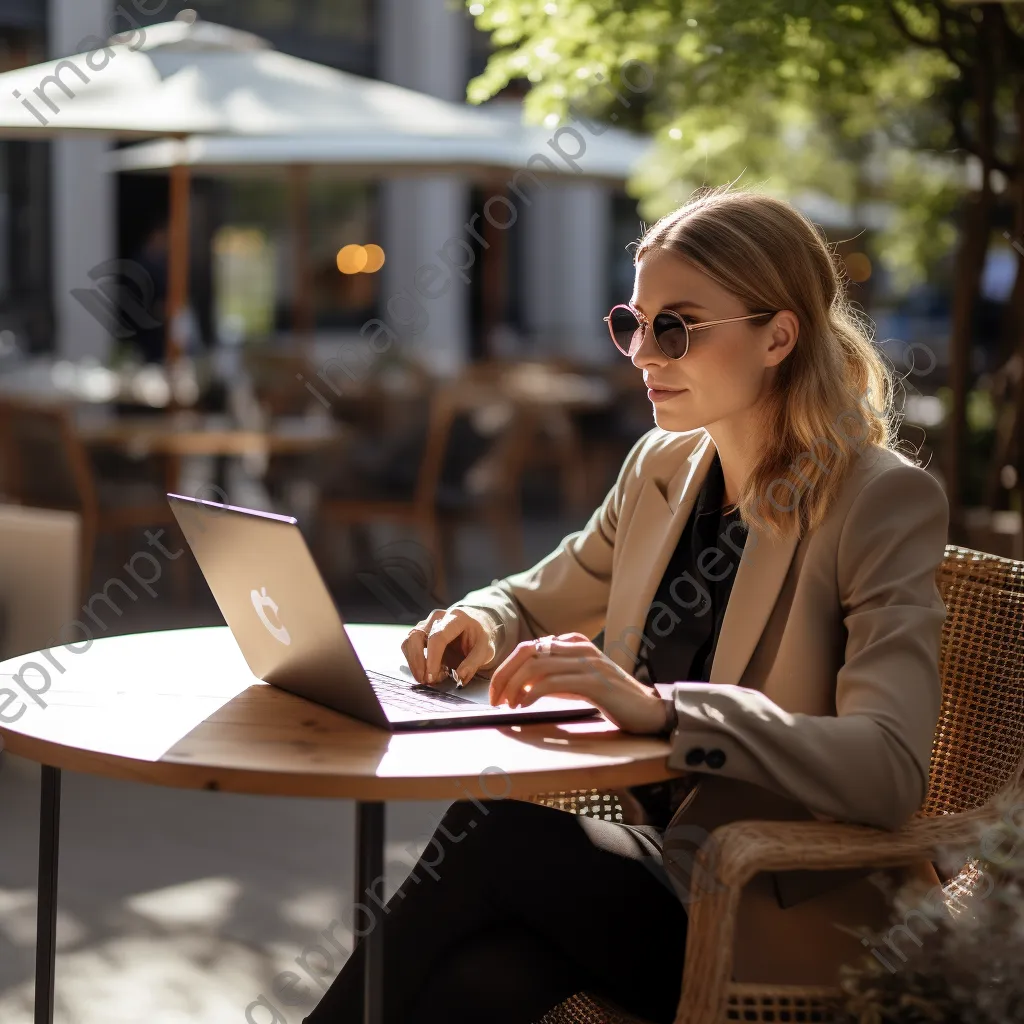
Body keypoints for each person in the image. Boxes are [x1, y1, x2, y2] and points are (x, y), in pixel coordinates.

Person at [302, 184, 949, 1023]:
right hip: (655, 874)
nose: (642, 353)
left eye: (675, 326)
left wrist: (666, 711)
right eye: (631, 323)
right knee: (475, 983)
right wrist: (483, 620)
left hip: (775, 903)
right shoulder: (661, 468)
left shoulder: (878, 502)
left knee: (496, 832)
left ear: (777, 336)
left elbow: (890, 769)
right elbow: (538, 599)